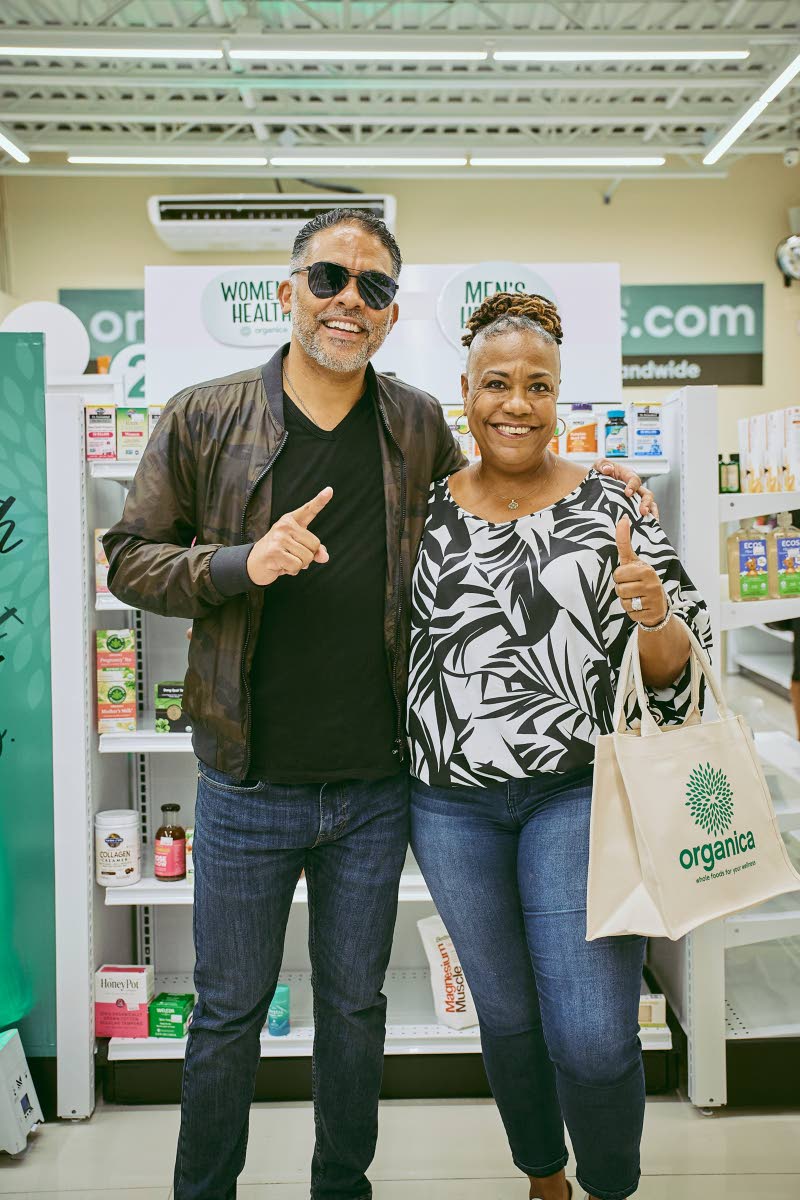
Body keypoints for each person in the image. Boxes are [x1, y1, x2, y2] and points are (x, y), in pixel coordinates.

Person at [103, 210, 656, 1200]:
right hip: (246, 777)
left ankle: (340, 1189)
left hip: (375, 785)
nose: (347, 301)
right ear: (288, 293)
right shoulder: (202, 415)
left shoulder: (410, 422)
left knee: (353, 1011)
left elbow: (497, 499)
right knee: (228, 1011)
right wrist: (242, 561)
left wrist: (593, 481)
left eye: (373, 288)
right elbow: (131, 560)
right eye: (327, 279)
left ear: (394, 313)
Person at [407, 292, 712, 1200]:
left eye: (537, 386)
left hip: (578, 793)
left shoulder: (612, 500)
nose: (516, 404)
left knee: (590, 1029)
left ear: (560, 397)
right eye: (496, 383)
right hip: (449, 803)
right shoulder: (419, 514)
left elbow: (675, 669)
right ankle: (544, 1174)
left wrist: (651, 610)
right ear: (463, 392)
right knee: (504, 1015)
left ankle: (612, 1182)